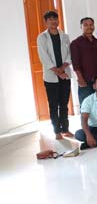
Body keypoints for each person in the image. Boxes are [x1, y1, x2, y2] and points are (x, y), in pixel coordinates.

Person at [37, 10, 72, 139]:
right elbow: (44, 57)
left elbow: (69, 54)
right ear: (46, 22)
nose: (53, 21)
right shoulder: (42, 37)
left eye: (55, 19)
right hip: (51, 77)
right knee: (53, 105)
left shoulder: (65, 36)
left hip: (65, 74)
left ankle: (65, 129)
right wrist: (58, 72)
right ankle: (57, 131)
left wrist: (62, 69)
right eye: (50, 19)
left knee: (64, 104)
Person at [71, 17, 97, 104]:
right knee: (86, 105)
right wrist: (80, 78)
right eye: (86, 25)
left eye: (91, 25)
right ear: (81, 27)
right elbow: (75, 63)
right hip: (85, 79)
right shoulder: (76, 43)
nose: (89, 27)